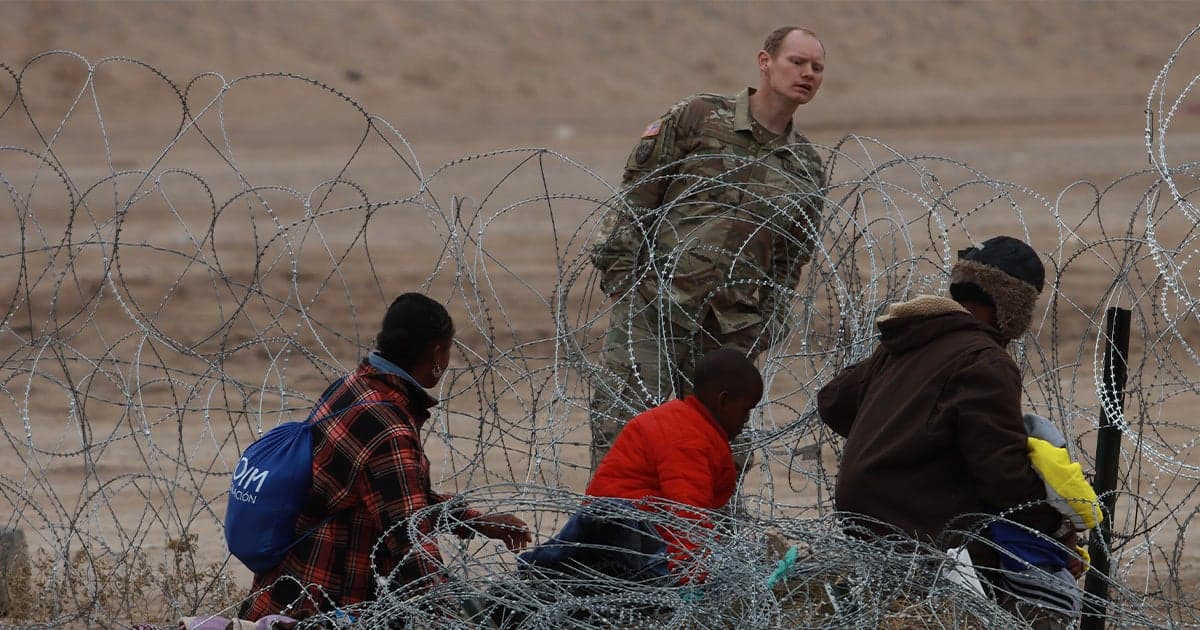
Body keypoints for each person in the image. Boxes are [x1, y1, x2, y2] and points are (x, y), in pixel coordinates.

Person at [588, 26, 828, 470]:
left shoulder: (806, 166)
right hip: (656, 307)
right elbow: (639, 194)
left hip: (728, 330)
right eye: (797, 61)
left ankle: (704, 541)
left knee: (712, 456)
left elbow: (790, 260)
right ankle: (616, 537)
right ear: (765, 62)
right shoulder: (700, 116)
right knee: (625, 440)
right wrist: (624, 280)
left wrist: (768, 322)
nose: (807, 74)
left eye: (817, 67)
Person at [816, 236, 1079, 622]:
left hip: (864, 515)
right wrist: (1055, 531)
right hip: (923, 526)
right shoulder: (984, 360)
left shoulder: (908, 341)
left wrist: (894, 428)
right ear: (1013, 307)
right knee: (1040, 589)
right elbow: (1001, 474)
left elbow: (834, 402)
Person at [239, 293, 532, 621]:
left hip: (287, 587)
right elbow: (409, 538)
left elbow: (392, 495)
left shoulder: (353, 387)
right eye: (448, 349)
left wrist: (473, 520)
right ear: (437, 351)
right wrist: (468, 617)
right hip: (324, 602)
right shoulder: (388, 426)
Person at [521, 348, 763, 583]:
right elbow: (687, 512)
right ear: (723, 400)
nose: (746, 419)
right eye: (745, 410)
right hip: (622, 528)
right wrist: (693, 576)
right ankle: (539, 570)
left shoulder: (691, 425)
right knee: (712, 573)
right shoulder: (687, 437)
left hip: (622, 527)